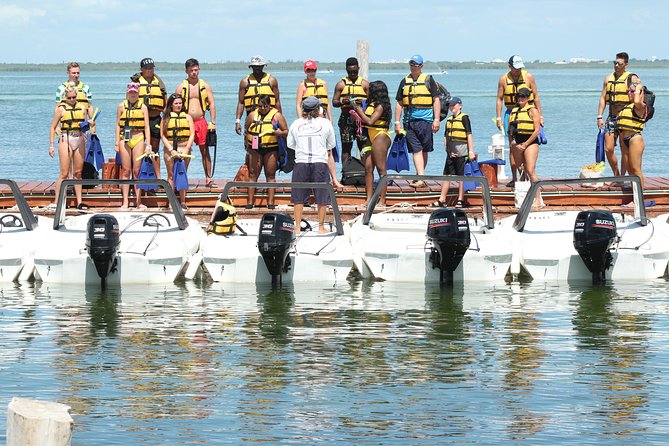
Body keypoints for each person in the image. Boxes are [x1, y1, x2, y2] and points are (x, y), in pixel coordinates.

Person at [287, 96, 343, 234]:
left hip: (301, 162)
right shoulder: (326, 123)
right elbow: (331, 144)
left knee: (298, 197)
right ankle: (321, 227)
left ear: (303, 109)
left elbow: (290, 144)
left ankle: (298, 227)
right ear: (318, 109)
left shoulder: (296, 123)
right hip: (319, 162)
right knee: (322, 196)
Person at [495, 55, 543, 186]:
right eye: (515, 68)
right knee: (513, 146)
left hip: (528, 111)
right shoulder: (503, 79)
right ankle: (515, 177)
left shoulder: (529, 77)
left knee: (530, 144)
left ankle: (528, 174)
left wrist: (541, 115)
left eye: (519, 68)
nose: (518, 70)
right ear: (509, 66)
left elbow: (536, 96)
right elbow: (499, 99)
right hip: (511, 112)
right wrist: (499, 118)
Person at [394, 54, 440, 187]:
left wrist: (436, 119)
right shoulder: (404, 81)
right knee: (416, 150)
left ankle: (421, 175)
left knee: (424, 150)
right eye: (411, 64)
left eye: (416, 65)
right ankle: (420, 177)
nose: (413, 67)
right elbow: (399, 102)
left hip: (426, 120)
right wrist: (397, 122)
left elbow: (436, 100)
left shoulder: (428, 80)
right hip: (409, 121)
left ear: (421, 66)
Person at [48, 85, 95, 210]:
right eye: (70, 98)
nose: (72, 99)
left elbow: (86, 125)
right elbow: (53, 127)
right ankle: (56, 201)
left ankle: (80, 201)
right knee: (64, 174)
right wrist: (51, 145)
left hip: (79, 139)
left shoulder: (82, 108)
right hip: (66, 139)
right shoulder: (61, 109)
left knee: (78, 173)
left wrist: (91, 124)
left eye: (74, 97)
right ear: (65, 97)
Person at [175, 58, 217, 187]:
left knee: (205, 151)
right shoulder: (182, 87)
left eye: (196, 70)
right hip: (186, 122)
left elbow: (212, 104)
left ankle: (208, 178)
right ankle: (181, 177)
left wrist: (212, 122)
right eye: (191, 70)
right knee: (184, 150)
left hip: (201, 121)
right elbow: (174, 104)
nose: (194, 72)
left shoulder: (205, 85)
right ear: (186, 71)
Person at [597, 52, 640, 177]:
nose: (616, 66)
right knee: (608, 149)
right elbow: (603, 98)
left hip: (626, 118)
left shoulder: (631, 78)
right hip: (611, 118)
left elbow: (637, 96)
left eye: (619, 64)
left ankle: (622, 176)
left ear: (625, 64)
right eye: (615, 63)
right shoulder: (608, 78)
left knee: (624, 149)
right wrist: (599, 116)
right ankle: (616, 174)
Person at [244, 94, 288, 209]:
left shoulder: (277, 116)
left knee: (270, 175)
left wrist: (280, 133)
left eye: (265, 106)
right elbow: (246, 130)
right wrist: (247, 147)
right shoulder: (252, 115)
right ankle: (249, 202)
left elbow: (286, 131)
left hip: (271, 149)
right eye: (260, 106)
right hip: (254, 148)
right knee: (253, 175)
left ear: (270, 105)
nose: (263, 108)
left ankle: (271, 202)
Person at [351, 80, 391, 206]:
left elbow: (371, 121)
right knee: (368, 168)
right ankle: (368, 199)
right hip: (369, 135)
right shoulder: (370, 104)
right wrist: (356, 113)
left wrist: (359, 110)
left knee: (381, 169)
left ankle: (382, 200)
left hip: (380, 136)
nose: (366, 92)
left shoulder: (381, 106)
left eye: (368, 90)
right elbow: (365, 121)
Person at [433, 97, 476, 208]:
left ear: (459, 105)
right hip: (451, 153)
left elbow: (469, 135)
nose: (451, 107)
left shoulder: (464, 118)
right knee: (447, 175)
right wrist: (448, 151)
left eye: (453, 105)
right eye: (450, 105)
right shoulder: (448, 120)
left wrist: (471, 151)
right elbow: (445, 136)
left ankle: (460, 199)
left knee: (461, 176)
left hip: (462, 152)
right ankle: (442, 199)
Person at [116, 82, 151, 210]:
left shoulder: (143, 107)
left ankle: (138, 201)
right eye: (131, 92)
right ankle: (125, 201)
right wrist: (116, 142)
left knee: (137, 171)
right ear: (127, 92)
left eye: (135, 92)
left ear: (138, 93)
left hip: (138, 138)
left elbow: (147, 126)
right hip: (124, 139)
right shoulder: (121, 106)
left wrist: (148, 144)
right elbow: (118, 125)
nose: (133, 94)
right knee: (126, 171)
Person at [134, 57, 167, 179]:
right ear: (142, 69)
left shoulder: (159, 82)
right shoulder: (136, 82)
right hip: (139, 120)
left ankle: (157, 178)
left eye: (151, 68)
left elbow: (165, 100)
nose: (149, 70)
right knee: (139, 148)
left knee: (155, 149)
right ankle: (139, 177)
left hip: (155, 119)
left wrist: (166, 117)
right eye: (147, 68)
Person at [332, 57, 369, 163]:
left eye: (355, 71)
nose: (352, 74)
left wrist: (362, 102)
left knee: (364, 148)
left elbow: (372, 103)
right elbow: (334, 102)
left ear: (359, 68)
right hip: (346, 120)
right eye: (350, 72)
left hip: (361, 121)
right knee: (346, 148)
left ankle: (364, 173)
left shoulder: (365, 84)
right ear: (346, 70)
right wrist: (343, 102)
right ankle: (346, 174)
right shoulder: (341, 85)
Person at [161, 93, 195, 207]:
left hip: (184, 148)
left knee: (182, 173)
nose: (178, 105)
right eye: (176, 103)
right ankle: (171, 201)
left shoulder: (188, 117)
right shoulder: (165, 118)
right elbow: (163, 136)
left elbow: (192, 134)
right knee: (171, 175)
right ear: (171, 105)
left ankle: (183, 201)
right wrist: (171, 150)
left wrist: (187, 149)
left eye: (180, 103)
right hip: (170, 149)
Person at [235, 55, 281, 134]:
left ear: (263, 66)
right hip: (251, 117)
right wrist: (238, 121)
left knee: (270, 140)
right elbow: (241, 103)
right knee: (251, 142)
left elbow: (277, 101)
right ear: (251, 67)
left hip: (270, 116)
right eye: (255, 66)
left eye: (259, 66)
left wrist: (280, 119)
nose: (257, 68)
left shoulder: (272, 80)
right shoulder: (245, 82)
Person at [616, 80, 647, 187]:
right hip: (625, 141)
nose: (629, 93)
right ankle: (634, 197)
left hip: (635, 139)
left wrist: (638, 88)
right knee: (630, 170)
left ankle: (639, 200)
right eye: (629, 91)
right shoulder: (627, 107)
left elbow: (638, 101)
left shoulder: (640, 106)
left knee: (636, 169)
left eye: (632, 92)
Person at [508, 88, 541, 184]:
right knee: (521, 170)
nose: (520, 98)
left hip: (530, 142)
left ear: (528, 97)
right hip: (517, 142)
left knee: (530, 170)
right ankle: (524, 193)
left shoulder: (532, 110)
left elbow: (537, 130)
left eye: (523, 96)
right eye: (518, 96)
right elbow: (509, 130)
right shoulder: (514, 111)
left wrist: (525, 144)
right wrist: (512, 143)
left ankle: (537, 196)